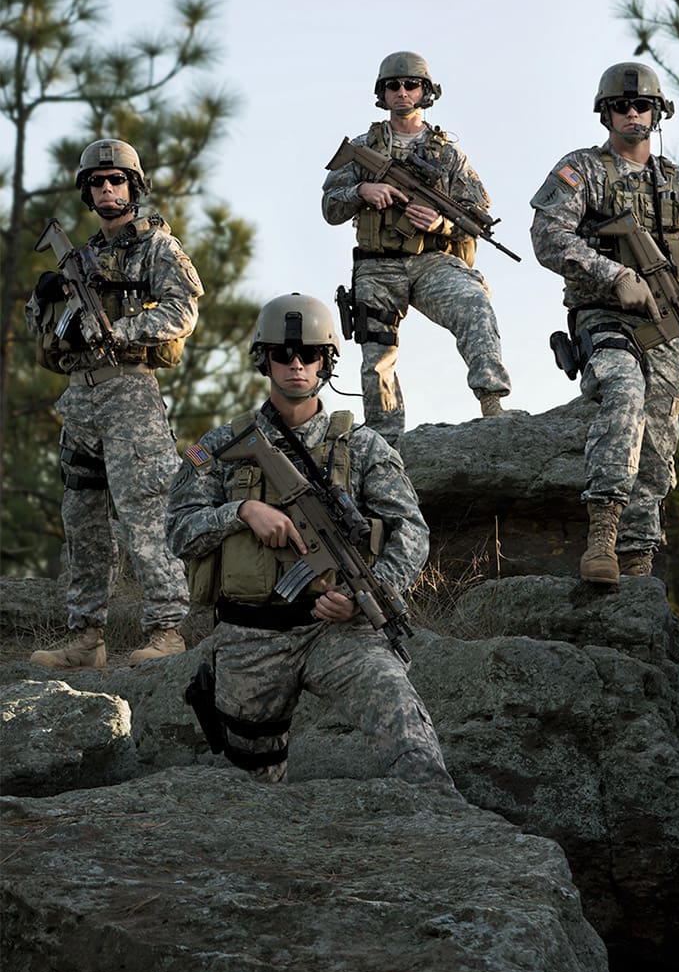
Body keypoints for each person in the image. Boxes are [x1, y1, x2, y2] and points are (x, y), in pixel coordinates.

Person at [165, 293, 456, 793]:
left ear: (327, 362)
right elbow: (178, 530)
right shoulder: (218, 446)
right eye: (282, 353)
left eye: (310, 355)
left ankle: (446, 832)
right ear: (264, 359)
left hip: (340, 632)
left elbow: (411, 531)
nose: (296, 364)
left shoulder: (362, 446)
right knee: (250, 783)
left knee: (408, 731)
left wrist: (366, 593)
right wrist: (240, 511)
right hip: (249, 637)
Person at [530, 61, 679, 584]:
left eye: (641, 105)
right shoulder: (583, 170)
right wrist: (611, 273)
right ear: (606, 113)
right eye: (621, 106)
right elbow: (547, 235)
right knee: (624, 390)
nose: (632, 114)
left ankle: (639, 556)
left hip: (668, 322)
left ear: (658, 111)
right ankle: (601, 533)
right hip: (603, 314)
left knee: (661, 432)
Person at [25, 138, 198, 669]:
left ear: (133, 186)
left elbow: (182, 310)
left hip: (129, 389)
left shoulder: (158, 248)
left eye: (116, 180)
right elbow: (42, 330)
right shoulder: (81, 258)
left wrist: (120, 329)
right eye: (97, 182)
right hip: (81, 397)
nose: (107, 189)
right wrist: (46, 296)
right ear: (87, 192)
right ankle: (86, 638)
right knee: (81, 519)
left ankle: (167, 628)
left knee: (146, 511)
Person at [321, 50, 511, 446]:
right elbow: (330, 207)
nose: (402, 92)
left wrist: (442, 223)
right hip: (378, 264)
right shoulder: (362, 147)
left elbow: (478, 211)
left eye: (411, 85)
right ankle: (386, 440)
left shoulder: (448, 154)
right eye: (394, 85)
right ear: (382, 93)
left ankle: (492, 400)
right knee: (377, 350)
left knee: (474, 304)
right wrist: (362, 190)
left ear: (425, 92)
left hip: (432, 261)